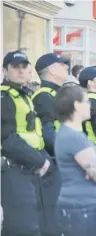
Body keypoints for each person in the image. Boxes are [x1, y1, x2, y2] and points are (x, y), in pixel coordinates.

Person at [1, 50, 51, 235]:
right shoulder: (4, 98)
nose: (21, 71)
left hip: (27, 168)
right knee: (22, 227)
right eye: (15, 67)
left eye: (24, 67)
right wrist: (40, 161)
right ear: (5, 71)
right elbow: (8, 139)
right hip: (13, 170)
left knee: (29, 223)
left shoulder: (21, 95)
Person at [54, 84, 96, 236]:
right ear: (76, 105)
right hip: (81, 207)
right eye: (87, 101)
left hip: (81, 206)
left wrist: (95, 163)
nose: (90, 105)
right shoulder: (74, 137)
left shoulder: (70, 133)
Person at [32, 52, 70, 235]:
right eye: (62, 64)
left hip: (58, 159)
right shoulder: (45, 95)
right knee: (50, 213)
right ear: (52, 70)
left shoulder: (55, 93)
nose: (66, 67)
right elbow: (49, 133)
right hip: (52, 161)